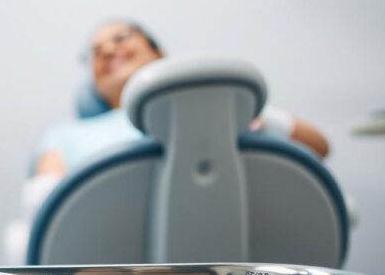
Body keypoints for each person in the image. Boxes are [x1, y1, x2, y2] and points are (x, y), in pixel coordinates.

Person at [34, 20, 331, 178]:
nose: (109, 51)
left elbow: (319, 147)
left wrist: (249, 117)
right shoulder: (64, 136)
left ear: (157, 53)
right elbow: (45, 208)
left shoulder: (215, 103)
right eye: (96, 52)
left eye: (121, 37)